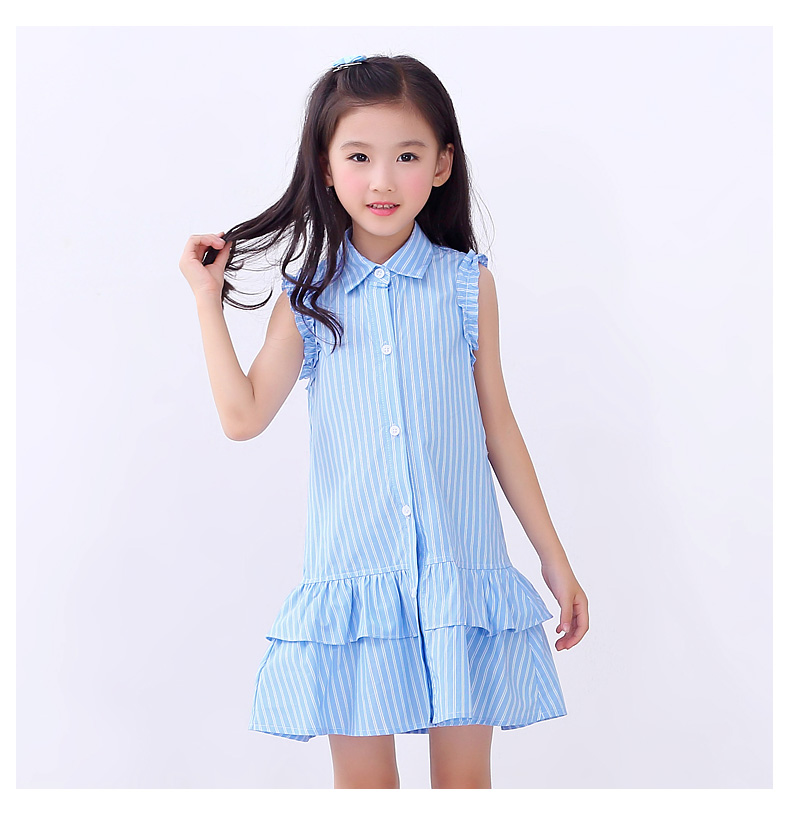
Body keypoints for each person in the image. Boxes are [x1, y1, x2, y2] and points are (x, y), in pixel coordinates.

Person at [179, 53, 589, 790]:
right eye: (359, 156)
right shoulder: (310, 298)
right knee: (365, 788)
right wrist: (207, 299)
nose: (382, 180)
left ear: (441, 165)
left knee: (463, 786)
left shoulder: (467, 284)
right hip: (355, 587)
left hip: (460, 579)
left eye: (407, 156)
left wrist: (552, 558)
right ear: (326, 165)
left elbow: (498, 426)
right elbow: (242, 416)